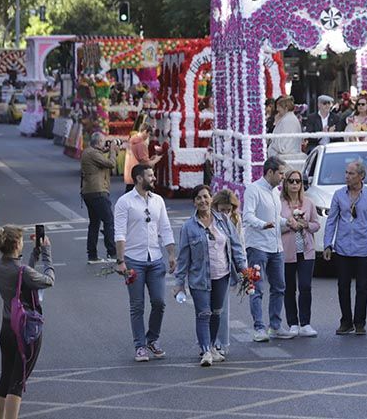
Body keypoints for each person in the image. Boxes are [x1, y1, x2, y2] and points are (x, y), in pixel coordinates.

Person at [174, 185, 246, 367]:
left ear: (211, 198)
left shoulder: (222, 220)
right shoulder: (189, 227)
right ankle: (205, 350)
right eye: (198, 198)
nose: (203, 201)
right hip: (199, 278)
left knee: (216, 313)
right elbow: (183, 257)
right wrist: (179, 282)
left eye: (205, 197)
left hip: (222, 275)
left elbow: (236, 246)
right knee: (203, 313)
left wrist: (244, 270)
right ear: (194, 202)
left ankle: (213, 346)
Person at [113, 164, 176, 362]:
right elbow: (120, 232)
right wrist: (120, 261)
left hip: (156, 258)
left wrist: (171, 254)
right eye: (150, 175)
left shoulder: (158, 201)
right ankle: (140, 345)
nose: (154, 178)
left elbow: (165, 228)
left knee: (159, 302)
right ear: (139, 178)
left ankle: (152, 339)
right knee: (137, 305)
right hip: (134, 260)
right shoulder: (125, 202)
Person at [0, 225, 53, 419]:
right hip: (26, 330)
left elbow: (21, 277)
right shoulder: (22, 271)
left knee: (6, 378)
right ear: (17, 243)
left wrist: (33, 256)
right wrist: (46, 254)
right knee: (17, 382)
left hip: (7, 328)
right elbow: (48, 280)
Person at [322, 160, 367, 336]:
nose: (347, 177)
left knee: (362, 287)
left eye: (351, 174)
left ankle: (360, 322)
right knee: (343, 286)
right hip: (343, 248)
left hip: (363, 249)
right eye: (346, 173)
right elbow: (331, 221)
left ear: (361, 176)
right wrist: (327, 244)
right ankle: (346, 321)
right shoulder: (338, 195)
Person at [242, 156, 293, 342]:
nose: (283, 177)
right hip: (257, 247)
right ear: (269, 172)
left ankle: (275, 326)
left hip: (276, 247)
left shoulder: (275, 192)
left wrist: (288, 222)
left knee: (279, 287)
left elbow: (276, 219)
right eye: (280, 173)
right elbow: (247, 216)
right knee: (256, 287)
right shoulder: (253, 189)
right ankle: (259, 328)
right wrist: (263, 225)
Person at [280, 170, 319, 338]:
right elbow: (275, 226)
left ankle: (305, 323)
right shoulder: (279, 203)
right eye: (291, 181)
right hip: (288, 250)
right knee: (289, 288)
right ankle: (293, 323)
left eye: (298, 181)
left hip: (306, 250)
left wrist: (305, 225)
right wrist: (290, 225)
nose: (295, 184)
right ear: (286, 184)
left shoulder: (309, 203)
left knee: (305, 286)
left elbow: (316, 225)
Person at [211, 190, 242, 357]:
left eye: (228, 210)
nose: (225, 213)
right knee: (207, 310)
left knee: (222, 309)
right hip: (209, 270)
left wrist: (243, 269)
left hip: (226, 268)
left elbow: (239, 244)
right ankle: (208, 343)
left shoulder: (234, 220)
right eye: (221, 210)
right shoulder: (209, 220)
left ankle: (221, 343)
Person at [80, 132, 118, 264]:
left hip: (89, 192)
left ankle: (92, 255)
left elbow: (100, 162)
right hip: (98, 192)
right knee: (109, 221)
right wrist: (112, 151)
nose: (105, 143)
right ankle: (112, 252)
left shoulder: (89, 152)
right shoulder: (93, 153)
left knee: (95, 223)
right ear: (98, 142)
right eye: (103, 141)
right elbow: (111, 163)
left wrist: (106, 150)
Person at [123, 122, 161, 192]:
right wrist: (157, 159)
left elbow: (138, 158)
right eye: (149, 134)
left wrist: (150, 159)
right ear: (145, 131)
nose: (148, 137)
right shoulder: (141, 144)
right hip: (139, 176)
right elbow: (146, 164)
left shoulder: (131, 140)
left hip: (129, 175)